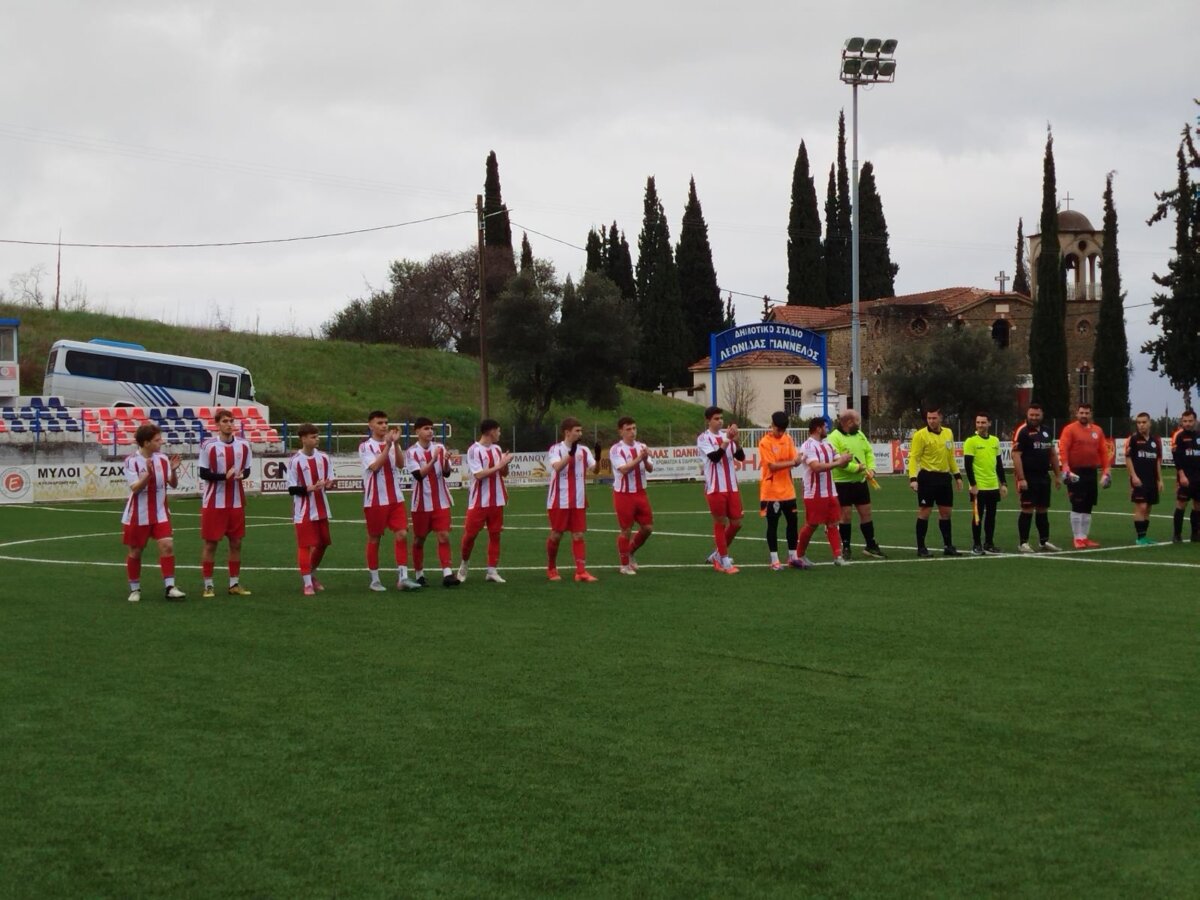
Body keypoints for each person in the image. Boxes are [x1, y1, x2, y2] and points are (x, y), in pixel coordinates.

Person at [122, 422, 185, 602]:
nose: (161, 442)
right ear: (146, 442)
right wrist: (148, 475)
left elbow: (173, 484)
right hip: (138, 513)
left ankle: (170, 587)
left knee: (167, 546)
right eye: (157, 440)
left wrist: (174, 472)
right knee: (136, 552)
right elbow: (135, 488)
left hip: (160, 512)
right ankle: (135, 589)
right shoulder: (131, 461)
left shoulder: (162, 459)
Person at [359, 411, 420, 592]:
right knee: (374, 538)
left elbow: (400, 464)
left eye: (386, 422)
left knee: (402, 534)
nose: (384, 426)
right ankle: (374, 580)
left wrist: (396, 444)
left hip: (395, 498)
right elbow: (375, 466)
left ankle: (403, 578)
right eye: (380, 423)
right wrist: (388, 445)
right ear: (370, 425)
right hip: (375, 500)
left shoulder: (392, 444)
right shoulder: (365, 446)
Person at [197, 409, 252, 598]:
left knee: (236, 543)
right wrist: (224, 477)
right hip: (214, 502)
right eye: (225, 421)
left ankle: (234, 584)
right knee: (210, 544)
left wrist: (243, 475)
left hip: (236, 502)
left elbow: (247, 469)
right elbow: (203, 473)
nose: (229, 424)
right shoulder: (208, 446)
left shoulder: (244, 445)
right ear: (217, 424)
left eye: (231, 421)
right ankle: (208, 585)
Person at [406, 417, 460, 587]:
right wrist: (433, 460)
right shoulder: (411, 452)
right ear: (417, 432)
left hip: (441, 501)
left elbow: (446, 473)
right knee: (419, 539)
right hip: (421, 503)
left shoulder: (440, 448)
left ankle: (447, 573)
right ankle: (419, 574)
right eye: (426, 428)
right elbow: (418, 475)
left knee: (443, 536)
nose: (430, 431)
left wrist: (445, 462)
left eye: (431, 428)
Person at [457, 418, 513, 584]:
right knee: (470, 536)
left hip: (497, 500)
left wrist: (506, 464)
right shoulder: (474, 450)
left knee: (495, 535)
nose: (500, 434)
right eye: (498, 430)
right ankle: (464, 564)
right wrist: (499, 465)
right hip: (479, 501)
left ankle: (491, 571)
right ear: (491, 431)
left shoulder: (497, 449)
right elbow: (479, 475)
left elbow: (503, 474)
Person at [546, 416, 600, 582]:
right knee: (556, 535)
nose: (580, 433)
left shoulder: (583, 450)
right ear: (567, 432)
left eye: (581, 430)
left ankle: (581, 572)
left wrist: (598, 458)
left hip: (578, 499)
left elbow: (595, 470)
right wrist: (570, 454)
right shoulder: (556, 449)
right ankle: (551, 568)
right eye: (577, 431)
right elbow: (557, 467)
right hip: (559, 499)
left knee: (578, 535)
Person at [794, 416, 852, 568]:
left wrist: (846, 459)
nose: (828, 430)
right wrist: (838, 462)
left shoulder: (828, 444)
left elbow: (840, 462)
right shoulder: (808, 446)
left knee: (833, 523)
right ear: (818, 429)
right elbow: (816, 467)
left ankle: (838, 557)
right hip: (814, 493)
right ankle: (799, 555)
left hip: (830, 491)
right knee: (812, 524)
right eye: (825, 427)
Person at [828, 408, 886, 559]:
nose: (859, 424)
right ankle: (846, 547)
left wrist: (871, 468)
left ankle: (870, 545)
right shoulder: (833, 438)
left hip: (860, 482)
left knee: (866, 513)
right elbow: (837, 461)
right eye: (857, 421)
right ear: (849, 422)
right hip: (842, 483)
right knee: (846, 516)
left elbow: (868, 452)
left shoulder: (860, 435)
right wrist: (856, 468)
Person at [906, 406, 963, 557]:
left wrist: (957, 476)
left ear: (941, 418)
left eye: (934, 418)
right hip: (927, 478)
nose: (931, 421)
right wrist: (913, 479)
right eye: (929, 418)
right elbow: (914, 458)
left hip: (944, 478)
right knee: (925, 512)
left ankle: (948, 546)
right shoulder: (920, 435)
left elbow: (950, 457)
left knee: (946, 513)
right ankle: (921, 548)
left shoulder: (948, 433)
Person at [287, 423, 334, 596]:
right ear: (303, 439)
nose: (317, 439)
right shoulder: (295, 461)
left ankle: (311, 574)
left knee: (323, 544)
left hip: (321, 508)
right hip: (304, 510)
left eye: (317, 436)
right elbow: (292, 489)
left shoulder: (324, 458)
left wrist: (328, 484)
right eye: (313, 437)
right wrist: (309, 488)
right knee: (305, 545)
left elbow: (330, 480)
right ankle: (307, 583)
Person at [698, 406, 745, 574]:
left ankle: (718, 555)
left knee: (737, 523)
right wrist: (727, 440)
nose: (720, 421)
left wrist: (736, 441)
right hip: (715, 487)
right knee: (720, 522)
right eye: (716, 419)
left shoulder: (727, 436)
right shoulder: (704, 438)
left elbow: (741, 457)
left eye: (721, 418)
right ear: (708, 421)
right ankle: (724, 560)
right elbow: (715, 458)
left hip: (732, 486)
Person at [1058, 403, 1112, 549]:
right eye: (1081, 413)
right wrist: (1065, 467)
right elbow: (1063, 449)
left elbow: (1103, 451)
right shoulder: (1069, 429)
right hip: (1075, 472)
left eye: (1087, 413)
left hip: (1091, 472)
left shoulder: (1097, 430)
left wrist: (1106, 470)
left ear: (1090, 414)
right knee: (1077, 504)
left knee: (1088, 505)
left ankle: (1084, 537)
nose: (1084, 415)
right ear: (1077, 413)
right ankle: (1077, 538)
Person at [1011, 403, 1063, 553]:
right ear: (1027, 415)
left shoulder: (1047, 431)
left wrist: (1058, 475)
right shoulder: (1022, 431)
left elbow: (1052, 454)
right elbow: (1016, 455)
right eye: (1031, 415)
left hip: (1043, 476)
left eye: (1037, 415)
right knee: (1027, 509)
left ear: (1042, 415)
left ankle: (1044, 541)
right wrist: (1021, 478)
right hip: (1028, 476)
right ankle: (1023, 543)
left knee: (1043, 509)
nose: (1034, 417)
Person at [610, 416, 654, 575]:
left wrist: (646, 459)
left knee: (647, 528)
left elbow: (650, 469)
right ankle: (624, 565)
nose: (632, 432)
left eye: (634, 428)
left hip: (640, 493)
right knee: (626, 530)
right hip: (624, 494)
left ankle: (630, 552)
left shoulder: (642, 446)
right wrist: (640, 458)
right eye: (628, 429)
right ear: (621, 432)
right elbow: (624, 469)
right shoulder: (616, 449)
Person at [758, 411, 800, 570]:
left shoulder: (787, 439)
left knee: (793, 523)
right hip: (771, 492)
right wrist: (793, 462)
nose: (781, 433)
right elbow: (772, 466)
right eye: (778, 429)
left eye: (783, 430)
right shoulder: (765, 442)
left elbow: (795, 458)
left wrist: (797, 460)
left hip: (788, 490)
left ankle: (793, 557)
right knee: (773, 525)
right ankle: (774, 560)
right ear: (772, 425)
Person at [962, 412, 1008, 554]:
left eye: (983, 422)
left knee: (991, 517)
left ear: (989, 423)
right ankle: (976, 544)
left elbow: (999, 464)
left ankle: (989, 543)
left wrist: (1003, 483)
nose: (980, 425)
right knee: (978, 516)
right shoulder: (971, 441)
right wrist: (973, 484)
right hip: (978, 487)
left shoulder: (995, 441)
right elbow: (968, 465)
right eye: (978, 422)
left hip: (993, 485)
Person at [1126, 412, 1163, 545]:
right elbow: (1128, 458)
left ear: (1149, 423)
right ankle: (1140, 538)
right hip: (1139, 480)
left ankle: (1144, 536)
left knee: (1148, 508)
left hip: (1151, 480)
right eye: (1138, 422)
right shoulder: (1134, 439)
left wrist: (1160, 479)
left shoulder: (1155, 441)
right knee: (1141, 507)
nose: (1141, 425)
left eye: (1144, 422)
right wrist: (1133, 476)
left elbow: (1157, 461)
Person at [1170, 408, 1200, 542]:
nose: (1187, 423)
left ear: (1195, 421)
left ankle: (1195, 533)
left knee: (1198, 506)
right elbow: (1177, 458)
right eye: (1185, 421)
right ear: (1182, 422)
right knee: (1181, 504)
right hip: (1185, 477)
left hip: (1198, 477)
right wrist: (1181, 476)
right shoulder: (1179, 436)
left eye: (1190, 421)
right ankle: (1177, 534)